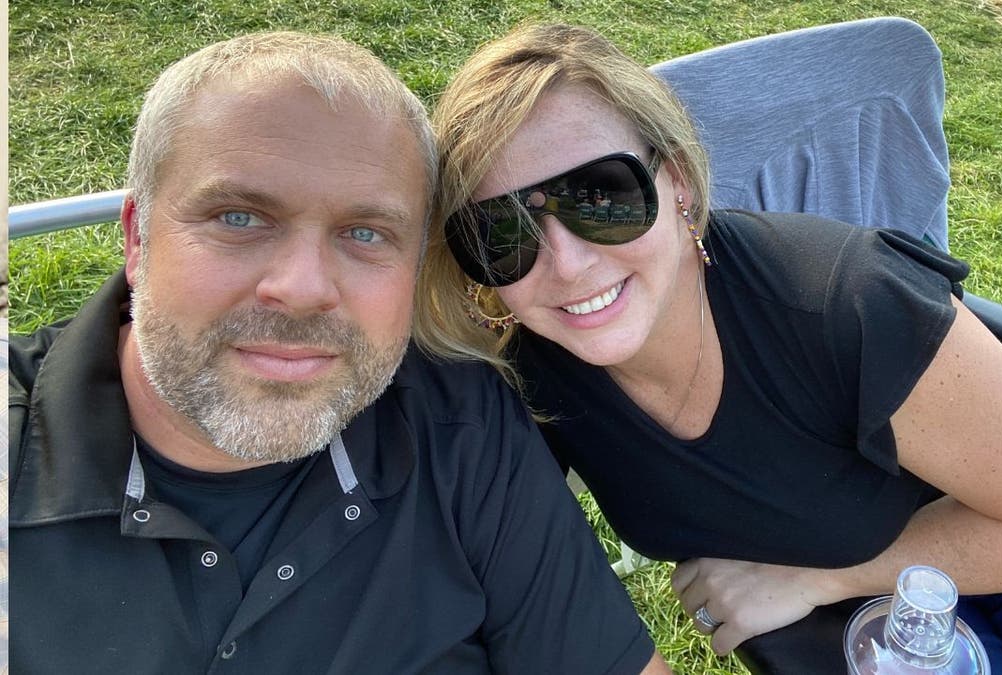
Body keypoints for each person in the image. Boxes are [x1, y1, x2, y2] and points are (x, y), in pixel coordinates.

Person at [417, 23, 1002, 674]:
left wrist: (817, 576)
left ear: (680, 181)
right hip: (857, 613)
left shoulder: (852, 299)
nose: (566, 262)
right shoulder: (530, 368)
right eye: (501, 231)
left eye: (600, 196)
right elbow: (498, 575)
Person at [6, 31, 672, 674]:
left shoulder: (458, 424)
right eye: (239, 217)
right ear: (138, 238)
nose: (301, 289)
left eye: (365, 232)